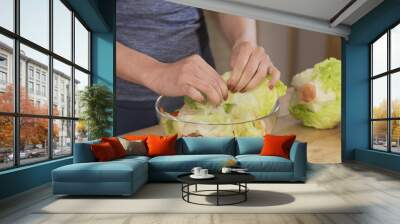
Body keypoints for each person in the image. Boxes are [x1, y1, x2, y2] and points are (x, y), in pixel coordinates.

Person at [116, 0, 281, 134]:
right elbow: (89, 33)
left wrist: (244, 40)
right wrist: (155, 72)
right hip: (116, 104)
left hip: (203, 94)